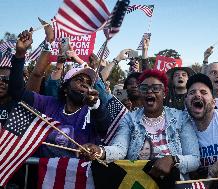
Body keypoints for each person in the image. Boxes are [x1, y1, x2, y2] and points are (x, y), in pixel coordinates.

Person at [80, 69, 200, 180]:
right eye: (143, 88)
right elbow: (120, 149)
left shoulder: (181, 118)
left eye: (156, 88)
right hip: (139, 182)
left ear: (164, 93)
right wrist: (100, 151)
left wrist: (173, 160)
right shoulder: (129, 119)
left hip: (174, 182)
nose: (149, 91)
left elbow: (194, 159)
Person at [8, 29, 109, 157]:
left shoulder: (92, 112)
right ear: (65, 88)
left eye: (88, 83)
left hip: (78, 174)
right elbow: (16, 93)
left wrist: (96, 106)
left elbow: (104, 127)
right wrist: (20, 55)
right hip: (45, 173)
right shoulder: (48, 104)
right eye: (79, 80)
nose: (85, 84)